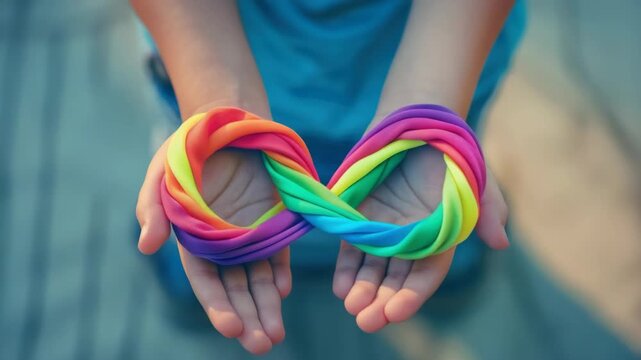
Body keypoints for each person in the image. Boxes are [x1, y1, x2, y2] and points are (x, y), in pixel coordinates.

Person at [132, 0, 524, 355]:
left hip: (449, 61)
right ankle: (189, 283)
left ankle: (454, 273)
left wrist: (432, 100)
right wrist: (214, 101)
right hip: (202, 75)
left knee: (440, 205)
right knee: (199, 210)